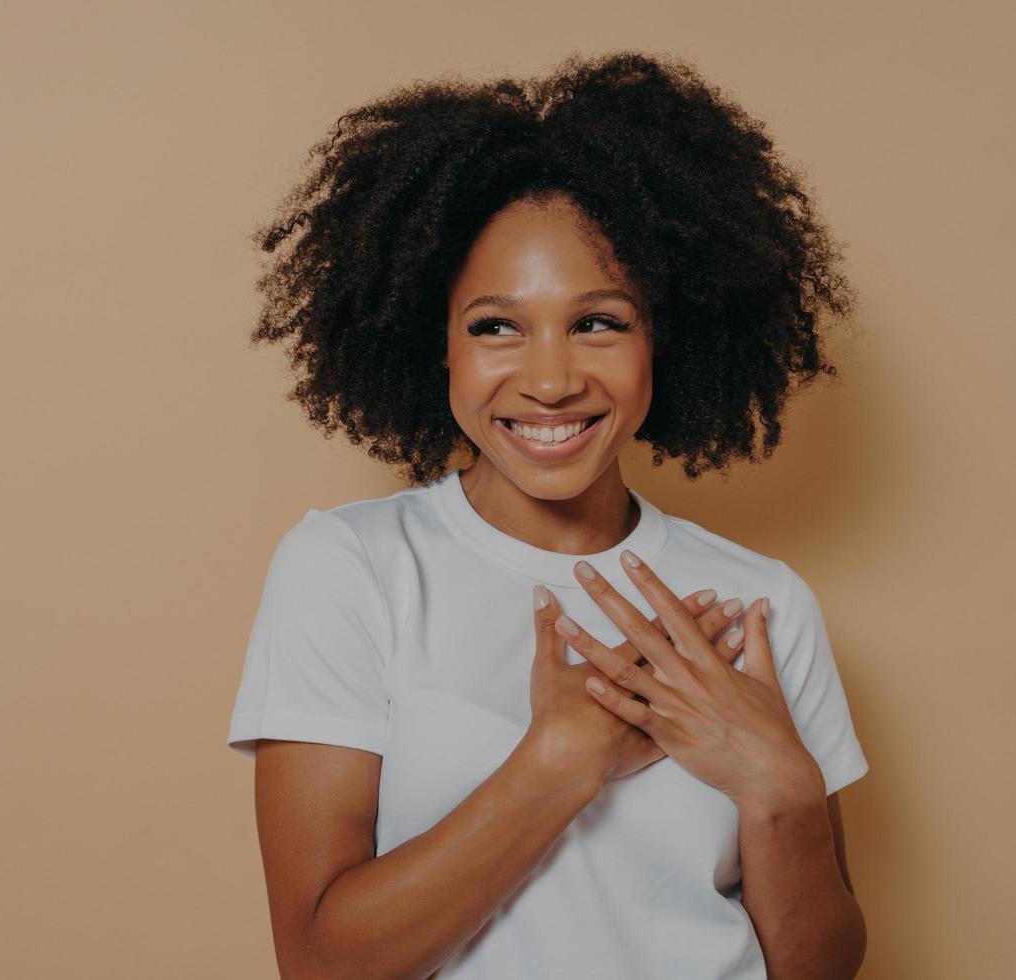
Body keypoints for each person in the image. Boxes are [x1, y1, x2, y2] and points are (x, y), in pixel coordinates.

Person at [226, 50, 869, 980]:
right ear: (435, 343)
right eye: (496, 326)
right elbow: (323, 964)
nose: (551, 379)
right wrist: (560, 760)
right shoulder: (352, 567)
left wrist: (782, 790)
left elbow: (823, 965)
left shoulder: (758, 601)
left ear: (664, 340)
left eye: (599, 320)